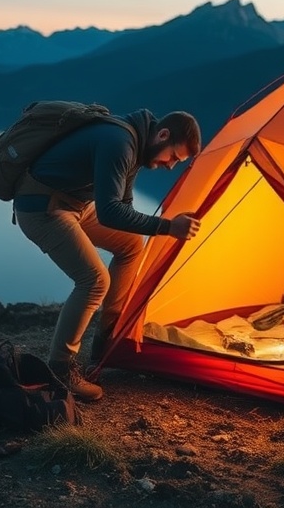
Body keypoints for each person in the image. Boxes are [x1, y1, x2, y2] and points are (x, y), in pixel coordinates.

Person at [12, 108, 202, 402]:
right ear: (163, 135)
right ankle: (61, 369)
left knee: (131, 245)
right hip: (42, 205)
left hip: (75, 203)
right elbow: (111, 212)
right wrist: (167, 227)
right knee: (94, 280)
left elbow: (121, 208)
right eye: (174, 157)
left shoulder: (137, 147)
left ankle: (106, 339)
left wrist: (169, 224)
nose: (170, 166)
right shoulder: (119, 142)